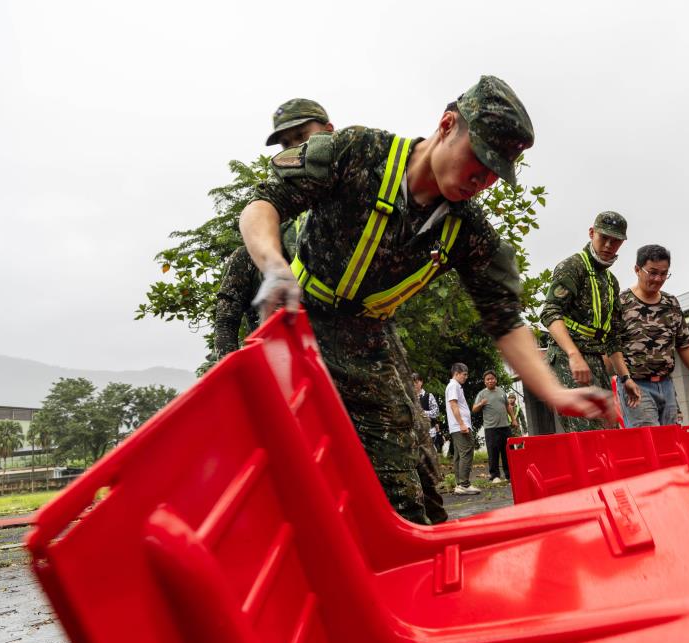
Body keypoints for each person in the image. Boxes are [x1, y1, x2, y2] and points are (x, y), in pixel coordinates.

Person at [240, 76, 611, 522]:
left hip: (369, 339)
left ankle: (427, 556)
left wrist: (554, 392)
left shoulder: (467, 229)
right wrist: (273, 265)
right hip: (300, 319)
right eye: (478, 158)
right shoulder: (358, 151)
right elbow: (263, 203)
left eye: (495, 171)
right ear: (447, 124)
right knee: (299, 472)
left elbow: (506, 320)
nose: (483, 179)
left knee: (414, 477)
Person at [213, 99, 334, 360]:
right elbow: (226, 317)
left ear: (329, 130)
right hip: (276, 362)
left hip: (338, 359)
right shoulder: (249, 256)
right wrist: (231, 374)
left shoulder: (344, 212)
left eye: (302, 136)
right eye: (286, 144)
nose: (295, 148)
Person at [540, 212, 641, 432]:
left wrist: (626, 378)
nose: (607, 245)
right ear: (591, 233)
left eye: (615, 241)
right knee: (585, 433)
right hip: (569, 358)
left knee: (609, 429)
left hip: (596, 360)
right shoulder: (573, 266)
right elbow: (550, 312)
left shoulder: (610, 281)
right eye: (603, 237)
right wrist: (573, 355)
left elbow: (612, 336)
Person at [618, 244, 689, 427]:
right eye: (652, 273)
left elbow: (684, 345)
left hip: (666, 385)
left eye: (664, 274)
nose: (658, 279)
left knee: (671, 442)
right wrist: (625, 379)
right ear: (637, 269)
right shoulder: (621, 303)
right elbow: (612, 348)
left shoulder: (671, 303)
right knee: (649, 442)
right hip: (636, 386)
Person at [411, 372, 448, 523]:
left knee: (429, 465)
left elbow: (435, 412)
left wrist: (420, 413)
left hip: (429, 434)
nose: (414, 384)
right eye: (412, 382)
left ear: (421, 382)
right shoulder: (409, 397)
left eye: (416, 381)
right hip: (414, 436)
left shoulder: (428, 396)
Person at [472, 370, 511, 483]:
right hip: (491, 428)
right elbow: (474, 409)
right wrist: (481, 404)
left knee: (507, 451)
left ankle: (509, 474)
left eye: (492, 378)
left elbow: (508, 406)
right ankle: (495, 476)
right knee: (493, 452)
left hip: (505, 426)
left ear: (496, 380)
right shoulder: (482, 394)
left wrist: (513, 419)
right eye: (488, 379)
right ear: (485, 382)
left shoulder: (501, 392)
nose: (490, 381)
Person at [446, 363, 479, 494]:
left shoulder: (454, 386)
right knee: (467, 451)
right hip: (460, 426)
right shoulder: (453, 385)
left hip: (457, 426)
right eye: (464, 374)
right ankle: (464, 485)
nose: (466, 377)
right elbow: (453, 405)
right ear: (457, 373)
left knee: (460, 455)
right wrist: (461, 424)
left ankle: (460, 484)